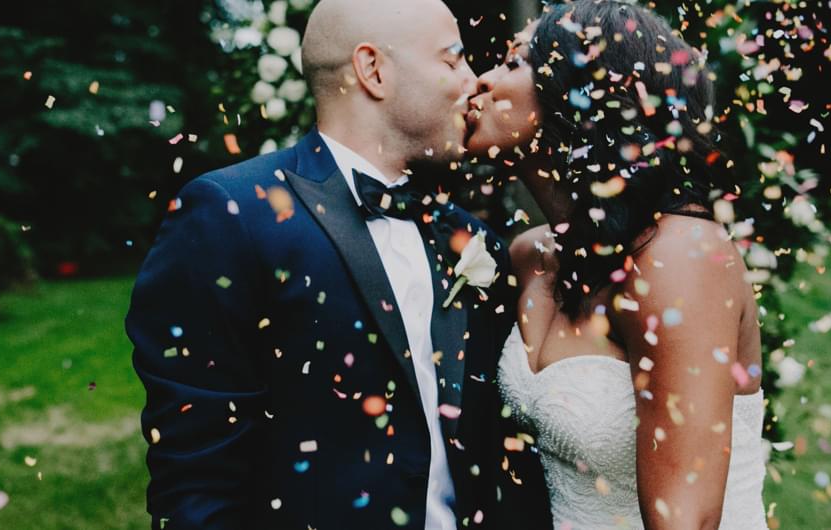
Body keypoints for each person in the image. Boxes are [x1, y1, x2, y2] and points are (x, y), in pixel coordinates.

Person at [125, 0, 551, 528]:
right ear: (373, 70)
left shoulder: (475, 241)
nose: (473, 81)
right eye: (452, 60)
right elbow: (196, 476)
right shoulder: (232, 214)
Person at [463, 1, 768, 528]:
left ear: (583, 92)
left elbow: (686, 521)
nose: (482, 80)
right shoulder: (527, 257)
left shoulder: (682, 256)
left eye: (513, 63)